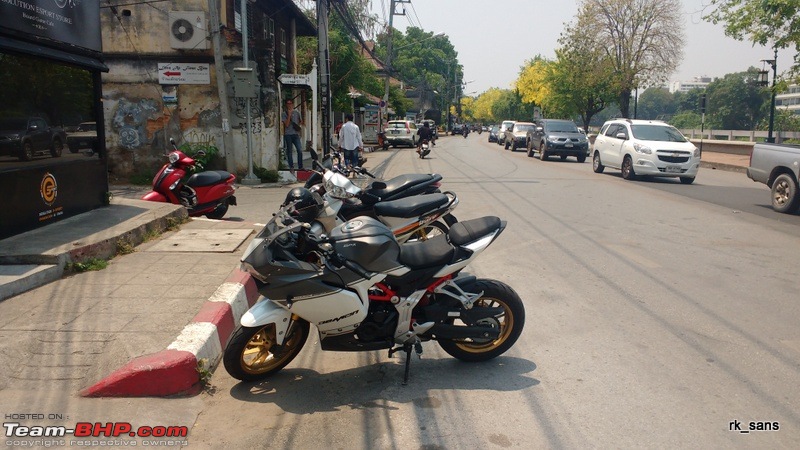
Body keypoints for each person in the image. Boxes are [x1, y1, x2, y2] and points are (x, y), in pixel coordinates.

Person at [282, 99, 304, 172]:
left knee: (299, 150)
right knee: (289, 151)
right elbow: (287, 124)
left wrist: (298, 126)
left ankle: (300, 166)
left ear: (293, 104)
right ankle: (291, 166)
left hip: (296, 134)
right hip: (288, 134)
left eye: (290, 103)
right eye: (288, 103)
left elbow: (301, 121)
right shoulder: (284, 113)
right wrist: (289, 115)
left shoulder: (297, 112)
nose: (289, 105)